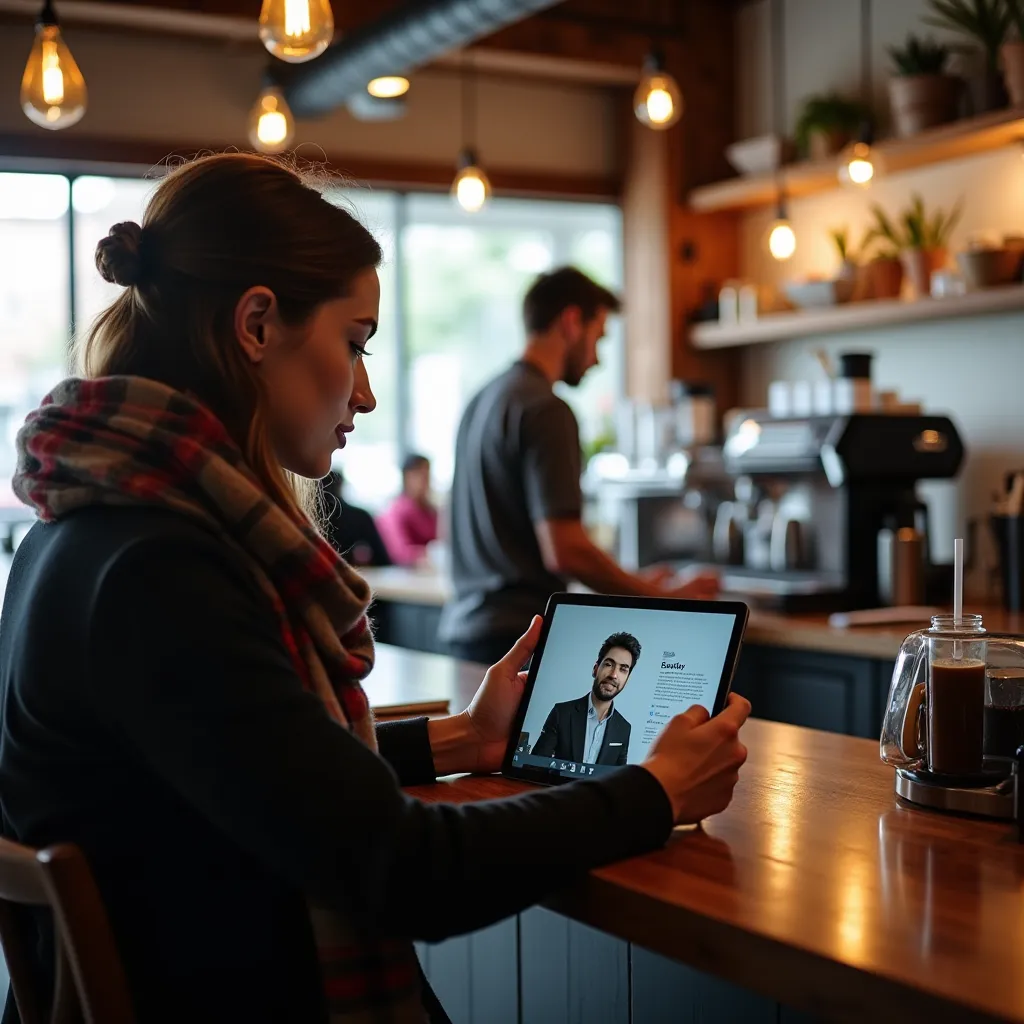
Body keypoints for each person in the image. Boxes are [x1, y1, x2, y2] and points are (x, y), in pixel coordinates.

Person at [0, 153, 751, 1024]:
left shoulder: (85, 530)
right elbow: (400, 869)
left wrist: (463, 738)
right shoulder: (162, 572)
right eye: (353, 344)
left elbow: (248, 772)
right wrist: (652, 792)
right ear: (256, 324)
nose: (362, 389)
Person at [438, 266, 719, 667]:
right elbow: (564, 551)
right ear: (572, 322)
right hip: (518, 639)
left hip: (468, 634)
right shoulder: (546, 409)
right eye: (598, 337)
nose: (597, 358)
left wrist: (633, 578)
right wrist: (662, 597)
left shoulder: (483, 399)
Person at [532, 632, 638, 766]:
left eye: (623, 669)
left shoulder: (623, 728)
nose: (614, 675)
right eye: (609, 664)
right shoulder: (562, 713)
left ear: (627, 679)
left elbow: (617, 780)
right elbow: (535, 766)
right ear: (595, 669)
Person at [319, 467, 392, 567]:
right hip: (362, 576)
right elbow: (383, 560)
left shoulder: (304, 518)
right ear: (341, 486)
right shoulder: (361, 517)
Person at [376, 453, 438, 566]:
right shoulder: (395, 511)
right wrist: (432, 554)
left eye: (428, 475)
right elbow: (400, 553)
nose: (426, 481)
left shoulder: (431, 511)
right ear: (407, 476)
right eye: (421, 475)